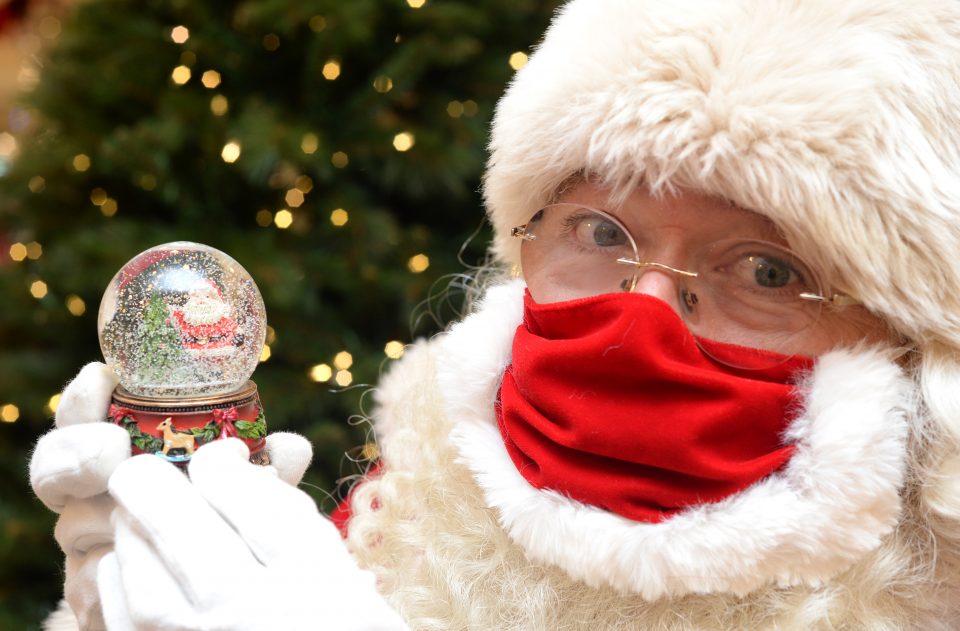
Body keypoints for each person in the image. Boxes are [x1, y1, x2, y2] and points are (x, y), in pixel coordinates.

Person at [30, 0, 960, 628]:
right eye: (599, 230)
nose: (639, 317)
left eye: (766, 269)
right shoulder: (412, 501)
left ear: (908, 340)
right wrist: (117, 599)